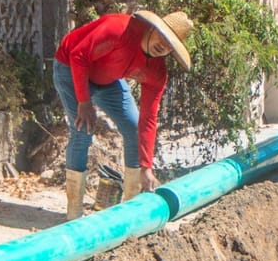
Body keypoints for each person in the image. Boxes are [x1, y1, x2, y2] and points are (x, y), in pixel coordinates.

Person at [52, 11, 193, 220]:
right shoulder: (119, 30)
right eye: (162, 37)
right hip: (71, 68)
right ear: (153, 29)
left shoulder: (157, 72)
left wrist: (147, 167)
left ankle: (131, 209)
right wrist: (83, 101)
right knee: (83, 131)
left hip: (107, 80)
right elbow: (78, 55)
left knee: (134, 128)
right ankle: (74, 214)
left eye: (169, 45)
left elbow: (148, 119)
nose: (163, 46)